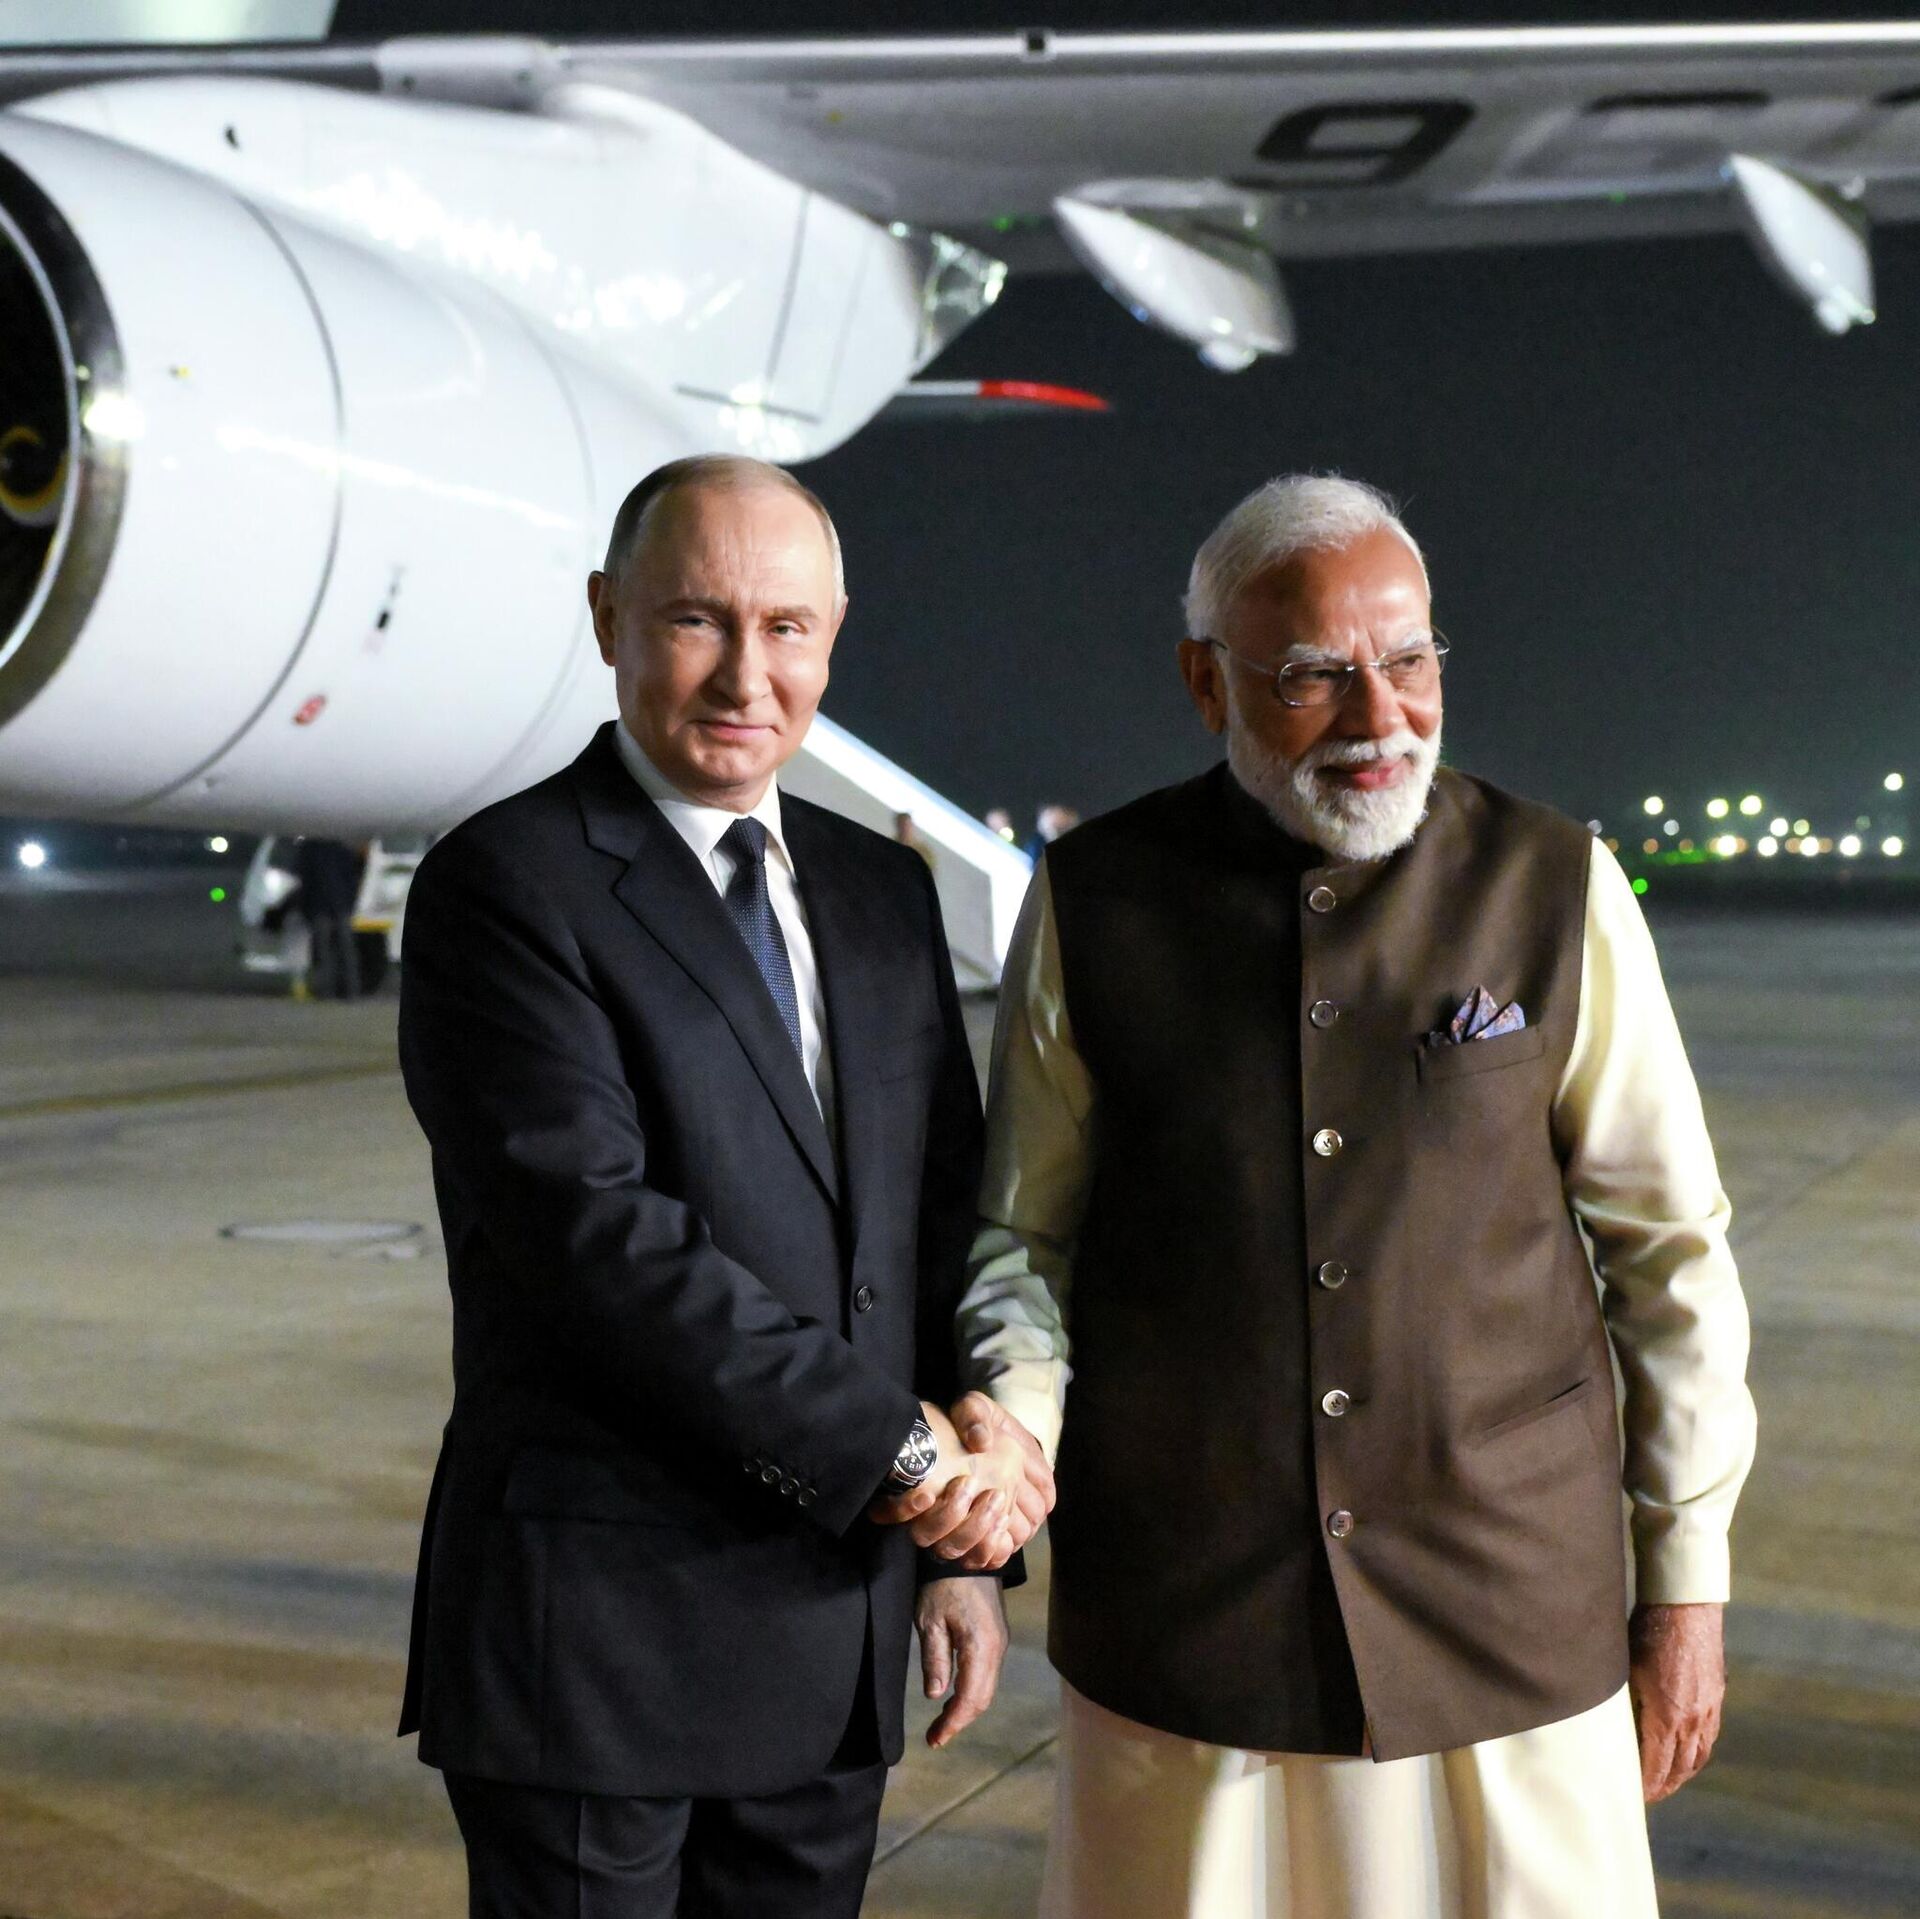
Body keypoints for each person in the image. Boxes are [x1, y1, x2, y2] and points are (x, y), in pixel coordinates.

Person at [954, 474, 1757, 1917]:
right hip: (1190, 1614)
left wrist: (1685, 1575)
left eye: (1411, 657)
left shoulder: (1555, 882)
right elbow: (1025, 1233)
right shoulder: (1094, 898)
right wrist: (1015, 1424)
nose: (1382, 714)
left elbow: (1671, 1255)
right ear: (1208, 680)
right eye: (1315, 674)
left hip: (1510, 1602)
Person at [395, 455, 1053, 1919]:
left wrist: (961, 1560)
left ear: (833, 635)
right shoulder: (506, 884)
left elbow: (936, 1219)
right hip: (601, 1647)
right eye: (697, 619)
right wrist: (907, 1459)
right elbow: (602, 1247)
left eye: (787, 626)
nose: (747, 675)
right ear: (607, 617)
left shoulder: (880, 893)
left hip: (835, 1622)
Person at [293, 836, 365, 1000]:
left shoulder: (309, 850)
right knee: (346, 949)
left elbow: (304, 881)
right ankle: (351, 990)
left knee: (323, 950)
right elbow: (351, 879)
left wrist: (305, 908)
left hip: (320, 905)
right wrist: (350, 902)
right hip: (340, 904)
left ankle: (326, 991)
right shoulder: (342, 849)